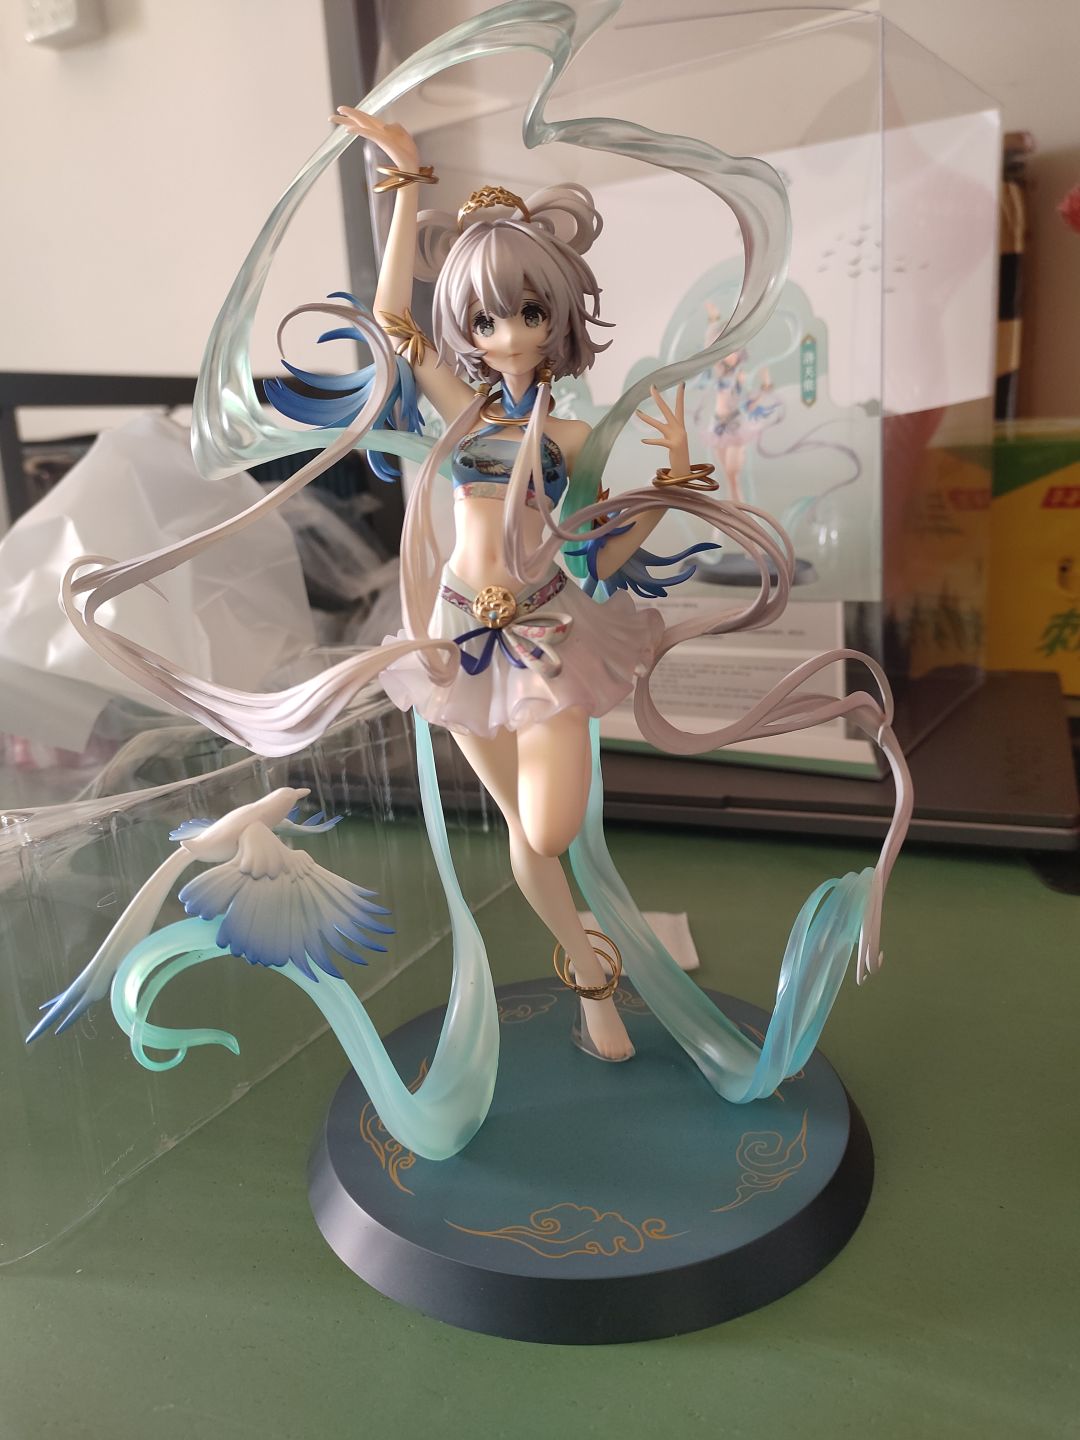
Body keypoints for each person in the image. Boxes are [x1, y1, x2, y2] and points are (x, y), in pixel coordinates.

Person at [37, 1, 912, 1156]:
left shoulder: (569, 433)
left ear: (558, 317)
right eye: (488, 318)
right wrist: (407, 184)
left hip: (546, 637)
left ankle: (596, 957)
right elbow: (390, 323)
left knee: (546, 829)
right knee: (525, 837)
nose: (506, 334)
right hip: (458, 640)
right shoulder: (463, 409)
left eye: (527, 313)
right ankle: (594, 978)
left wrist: (667, 492)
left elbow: (602, 550)